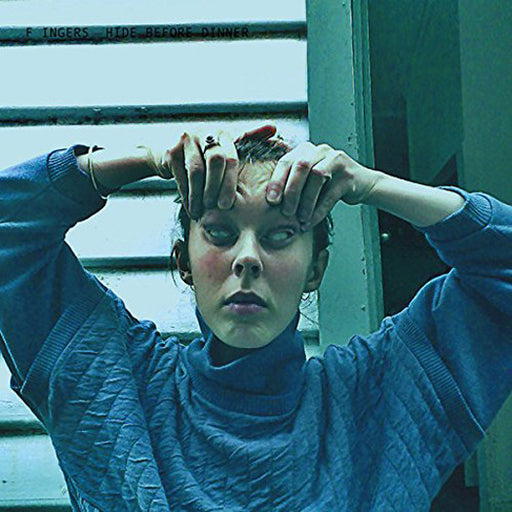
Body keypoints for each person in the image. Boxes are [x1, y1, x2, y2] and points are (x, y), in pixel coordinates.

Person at [0, 123, 511, 511]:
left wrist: (369, 183)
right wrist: (149, 158)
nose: (247, 258)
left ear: (316, 268)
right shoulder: (117, 381)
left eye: (279, 235)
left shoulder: (381, 393)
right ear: (184, 263)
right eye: (221, 233)